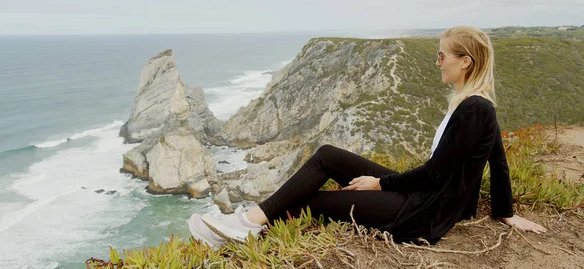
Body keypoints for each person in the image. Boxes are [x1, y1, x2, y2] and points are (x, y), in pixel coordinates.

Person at [187, 26, 547, 248]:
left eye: (442, 56)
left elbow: (439, 172)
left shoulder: (476, 109)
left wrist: (380, 183)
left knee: (317, 200)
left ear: (465, 61)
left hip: (424, 211)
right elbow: (498, 161)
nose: (438, 62)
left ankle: (241, 229)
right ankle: (247, 223)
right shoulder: (473, 104)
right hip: (421, 194)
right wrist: (504, 212)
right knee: (328, 153)